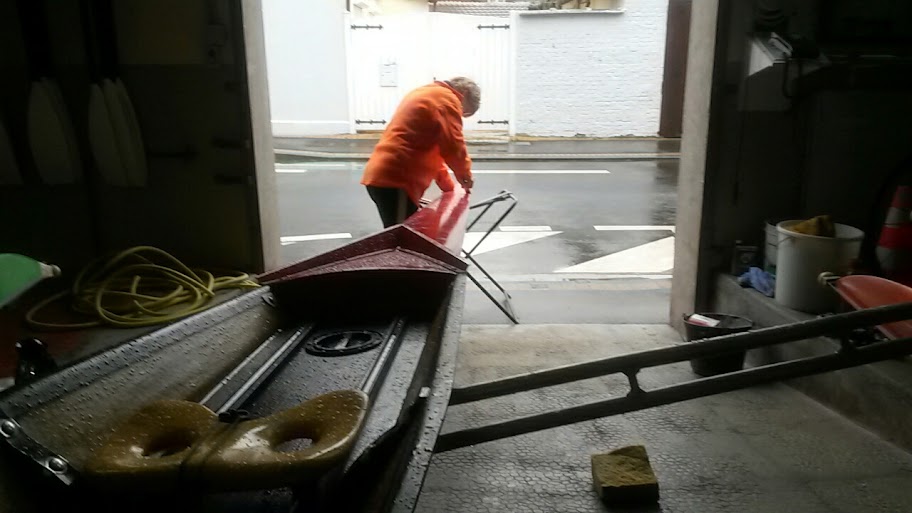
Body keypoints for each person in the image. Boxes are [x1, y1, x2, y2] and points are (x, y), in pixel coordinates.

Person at [361, 77, 480, 228]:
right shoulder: (446, 100)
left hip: (385, 175)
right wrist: (466, 179)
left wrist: (449, 188)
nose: (459, 113)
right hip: (398, 179)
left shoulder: (428, 93)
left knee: (400, 232)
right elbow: (453, 146)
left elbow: (434, 155)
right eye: (464, 111)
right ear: (465, 93)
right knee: (403, 237)